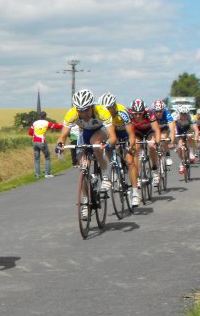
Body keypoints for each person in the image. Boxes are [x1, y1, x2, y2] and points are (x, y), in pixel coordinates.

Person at [55, 89, 116, 219]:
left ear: (92, 106)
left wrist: (109, 143)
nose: (83, 113)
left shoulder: (102, 112)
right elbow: (63, 136)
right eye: (80, 110)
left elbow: (113, 137)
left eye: (86, 109)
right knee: (83, 164)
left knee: (95, 143)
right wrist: (60, 145)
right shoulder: (72, 114)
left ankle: (106, 174)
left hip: (101, 130)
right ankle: (84, 201)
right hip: (84, 133)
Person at [99, 92, 140, 207]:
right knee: (107, 145)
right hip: (111, 133)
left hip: (124, 134)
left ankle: (135, 192)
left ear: (114, 106)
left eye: (109, 108)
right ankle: (113, 165)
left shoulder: (122, 113)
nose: (106, 111)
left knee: (130, 160)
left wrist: (129, 146)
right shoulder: (102, 114)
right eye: (104, 109)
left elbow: (131, 134)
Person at [129, 99, 162, 187]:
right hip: (137, 132)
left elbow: (156, 130)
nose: (137, 115)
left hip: (149, 130)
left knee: (151, 146)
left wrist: (157, 142)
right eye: (135, 113)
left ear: (144, 111)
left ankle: (155, 169)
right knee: (136, 149)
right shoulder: (129, 115)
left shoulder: (149, 113)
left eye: (140, 113)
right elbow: (128, 132)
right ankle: (138, 177)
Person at [28, 111, 62, 178]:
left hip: (34, 142)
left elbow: (30, 132)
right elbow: (56, 126)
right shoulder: (46, 123)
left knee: (37, 159)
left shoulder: (35, 123)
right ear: (45, 116)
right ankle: (47, 173)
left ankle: (37, 175)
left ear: (39, 116)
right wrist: (65, 126)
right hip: (42, 141)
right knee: (47, 157)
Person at [174, 105, 200, 173]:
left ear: (187, 113)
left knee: (190, 136)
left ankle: (191, 153)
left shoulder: (191, 117)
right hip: (178, 130)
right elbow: (172, 129)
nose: (183, 115)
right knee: (179, 147)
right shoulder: (175, 117)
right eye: (182, 114)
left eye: (185, 114)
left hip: (187, 129)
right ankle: (182, 163)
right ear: (179, 113)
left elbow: (196, 129)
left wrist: (196, 138)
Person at [152, 100, 176, 167]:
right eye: (156, 111)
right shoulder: (151, 114)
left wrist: (172, 142)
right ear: (154, 111)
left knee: (163, 139)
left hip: (164, 128)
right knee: (153, 142)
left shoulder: (167, 114)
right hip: (154, 129)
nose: (158, 113)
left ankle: (167, 155)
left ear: (163, 110)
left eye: (160, 111)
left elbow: (172, 129)